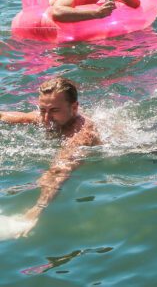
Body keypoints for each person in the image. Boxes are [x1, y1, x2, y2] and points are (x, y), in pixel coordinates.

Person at [0, 77, 100, 236]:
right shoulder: (49, 116)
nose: (46, 119)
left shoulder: (82, 134)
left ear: (74, 108)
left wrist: (38, 209)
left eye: (54, 111)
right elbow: (7, 116)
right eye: (42, 110)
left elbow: (60, 170)